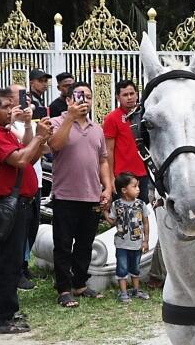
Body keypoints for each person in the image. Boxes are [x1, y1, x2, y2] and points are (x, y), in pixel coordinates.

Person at [0, 88, 53, 334]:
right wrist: (37, 138)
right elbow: (20, 160)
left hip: (22, 202)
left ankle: (6, 311)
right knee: (9, 262)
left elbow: (29, 159)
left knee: (14, 261)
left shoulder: (4, 131)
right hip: (9, 205)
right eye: (5, 107)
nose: (11, 111)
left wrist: (39, 138)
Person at [48, 84, 113, 308]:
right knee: (63, 244)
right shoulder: (57, 122)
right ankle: (64, 289)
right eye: (78, 96)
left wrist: (107, 186)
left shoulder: (97, 129)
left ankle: (80, 284)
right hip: (65, 195)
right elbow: (55, 145)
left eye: (87, 96)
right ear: (68, 100)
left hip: (92, 195)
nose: (83, 100)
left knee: (85, 243)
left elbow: (103, 159)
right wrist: (70, 119)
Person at [102, 79, 152, 205]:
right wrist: (111, 178)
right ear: (118, 97)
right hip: (123, 176)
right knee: (125, 215)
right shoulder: (112, 118)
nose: (129, 98)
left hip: (144, 173)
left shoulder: (145, 116)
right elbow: (109, 150)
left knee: (144, 214)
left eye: (132, 93)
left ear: (137, 94)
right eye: (125, 95)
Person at [108, 172, 150, 303]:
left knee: (135, 267)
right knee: (122, 267)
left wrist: (145, 240)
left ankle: (136, 290)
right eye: (135, 186)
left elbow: (146, 222)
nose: (138, 189)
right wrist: (105, 211)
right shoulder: (116, 205)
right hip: (121, 244)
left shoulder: (141, 204)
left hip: (136, 243)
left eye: (138, 186)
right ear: (124, 190)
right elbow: (112, 221)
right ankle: (123, 292)